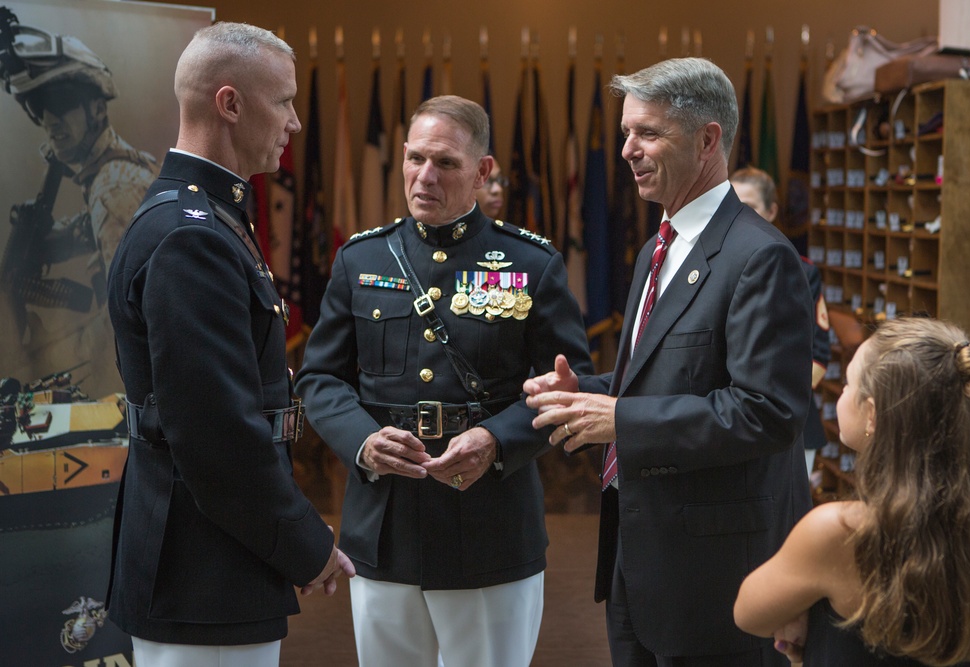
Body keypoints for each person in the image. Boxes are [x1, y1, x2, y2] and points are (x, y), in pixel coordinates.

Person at [523, 57, 814, 666]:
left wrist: (620, 420)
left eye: (647, 133)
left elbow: (766, 412)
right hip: (639, 562)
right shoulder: (657, 248)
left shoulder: (760, 258)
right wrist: (589, 392)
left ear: (709, 139)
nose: (627, 149)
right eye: (627, 131)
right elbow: (669, 375)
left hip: (716, 579)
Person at [294, 94, 593, 667]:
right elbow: (321, 377)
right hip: (385, 523)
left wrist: (497, 438)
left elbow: (570, 386)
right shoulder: (361, 259)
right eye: (415, 159)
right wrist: (361, 439)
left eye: (446, 164)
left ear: (483, 172)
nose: (424, 177)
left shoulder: (531, 264)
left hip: (490, 525)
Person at [105, 22, 354, 667]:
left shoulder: (204, 218)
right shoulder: (193, 236)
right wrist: (306, 543)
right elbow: (216, 434)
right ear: (230, 103)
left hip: (210, 562)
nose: (296, 122)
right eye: (284, 101)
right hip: (204, 571)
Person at [734, 317, 970, 667]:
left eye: (847, 384)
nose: (842, 392)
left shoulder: (840, 532)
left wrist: (804, 614)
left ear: (872, 415)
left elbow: (748, 613)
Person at [0, 10, 158, 396]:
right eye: (40, 108)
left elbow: (123, 322)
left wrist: (46, 360)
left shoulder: (112, 189)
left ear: (97, 108)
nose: (51, 121)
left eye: (63, 102)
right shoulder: (118, 174)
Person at [732, 166, 830, 473]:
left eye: (749, 208)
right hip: (727, 420)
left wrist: (766, 397)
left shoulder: (802, 271)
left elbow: (819, 356)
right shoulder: (713, 267)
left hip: (787, 421)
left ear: (772, 211)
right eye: (731, 208)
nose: (737, 217)